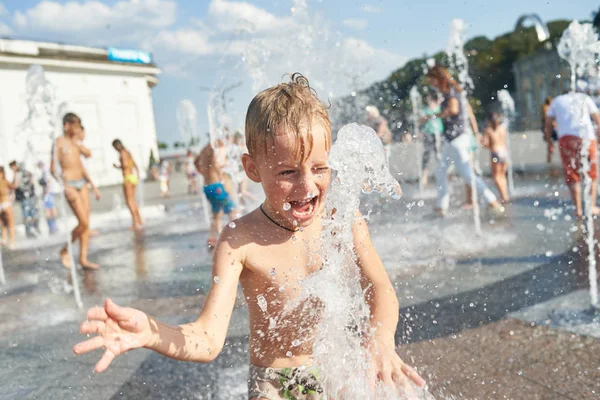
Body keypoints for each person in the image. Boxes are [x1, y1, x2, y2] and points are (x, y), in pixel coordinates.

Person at [74, 73, 426, 399]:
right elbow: (208, 338)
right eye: (288, 172)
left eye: (319, 168)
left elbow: (380, 287)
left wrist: (381, 339)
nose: (307, 186)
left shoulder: (342, 218)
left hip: (336, 370)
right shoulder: (239, 240)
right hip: (274, 383)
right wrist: (151, 332)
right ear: (252, 169)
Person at [426, 66, 504, 217]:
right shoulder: (453, 91)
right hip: (454, 139)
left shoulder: (450, 92)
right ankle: (440, 208)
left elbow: (454, 110)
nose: (431, 84)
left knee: (466, 173)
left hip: (457, 139)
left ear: (439, 78)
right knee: (441, 172)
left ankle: (492, 201)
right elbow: (469, 113)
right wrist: (475, 132)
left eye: (432, 80)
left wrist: (433, 116)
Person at [50, 112, 101, 270]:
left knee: (86, 224)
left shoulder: (74, 143)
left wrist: (93, 185)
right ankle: (65, 249)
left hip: (83, 184)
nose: (78, 128)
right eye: (76, 125)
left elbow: (86, 157)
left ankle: (83, 259)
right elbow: (53, 169)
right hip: (70, 185)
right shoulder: (59, 142)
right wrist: (64, 187)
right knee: (83, 223)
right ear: (67, 125)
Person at [545, 90, 600, 219]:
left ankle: (578, 209)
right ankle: (591, 206)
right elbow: (597, 119)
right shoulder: (584, 98)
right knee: (591, 174)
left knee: (572, 174)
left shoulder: (556, 100)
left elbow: (548, 122)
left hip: (566, 139)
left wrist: (549, 142)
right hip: (586, 137)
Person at [195, 138, 236, 249]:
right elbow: (215, 163)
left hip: (207, 187)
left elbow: (196, 161)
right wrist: (220, 176)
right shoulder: (212, 150)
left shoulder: (203, 151)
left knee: (216, 213)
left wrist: (204, 173)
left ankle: (213, 237)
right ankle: (235, 235)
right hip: (216, 186)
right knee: (232, 209)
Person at [112, 139, 143, 230]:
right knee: (133, 201)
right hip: (133, 177)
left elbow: (125, 165)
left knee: (129, 201)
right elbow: (134, 164)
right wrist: (137, 175)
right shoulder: (128, 152)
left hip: (127, 178)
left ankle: (135, 223)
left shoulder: (122, 153)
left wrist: (117, 166)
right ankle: (139, 220)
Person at [483, 112, 509, 203]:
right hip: (504, 153)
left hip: (495, 154)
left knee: (496, 176)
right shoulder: (502, 129)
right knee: (502, 175)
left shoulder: (488, 130)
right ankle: (505, 194)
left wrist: (481, 142)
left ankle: (503, 196)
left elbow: (486, 144)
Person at [9, 161, 41, 238]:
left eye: (12, 168)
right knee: (32, 213)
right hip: (29, 195)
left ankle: (30, 231)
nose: (12, 169)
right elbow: (31, 180)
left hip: (25, 197)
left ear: (14, 166)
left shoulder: (18, 174)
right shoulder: (26, 172)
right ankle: (35, 230)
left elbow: (15, 185)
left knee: (27, 214)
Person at [419, 92, 443, 186]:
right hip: (428, 133)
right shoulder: (424, 110)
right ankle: (424, 176)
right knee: (427, 154)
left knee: (439, 154)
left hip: (438, 133)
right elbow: (420, 120)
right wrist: (426, 118)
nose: (428, 100)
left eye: (429, 98)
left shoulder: (439, 107)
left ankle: (444, 173)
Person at [38, 161, 59, 234]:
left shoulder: (45, 172)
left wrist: (46, 192)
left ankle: (52, 227)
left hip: (48, 194)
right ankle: (53, 227)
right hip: (49, 193)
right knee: (50, 210)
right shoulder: (44, 172)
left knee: (48, 211)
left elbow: (48, 182)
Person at [0, 166, 16, 248]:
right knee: (11, 224)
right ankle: (12, 243)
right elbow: (14, 186)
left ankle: (4, 239)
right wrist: (15, 173)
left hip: (0, 205)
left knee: (3, 224)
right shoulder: (4, 181)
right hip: (6, 204)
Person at [542, 97, 558, 165]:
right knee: (550, 145)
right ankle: (549, 161)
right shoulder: (547, 108)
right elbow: (548, 119)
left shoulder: (545, 107)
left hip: (547, 128)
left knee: (550, 144)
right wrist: (555, 125)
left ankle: (549, 160)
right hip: (550, 128)